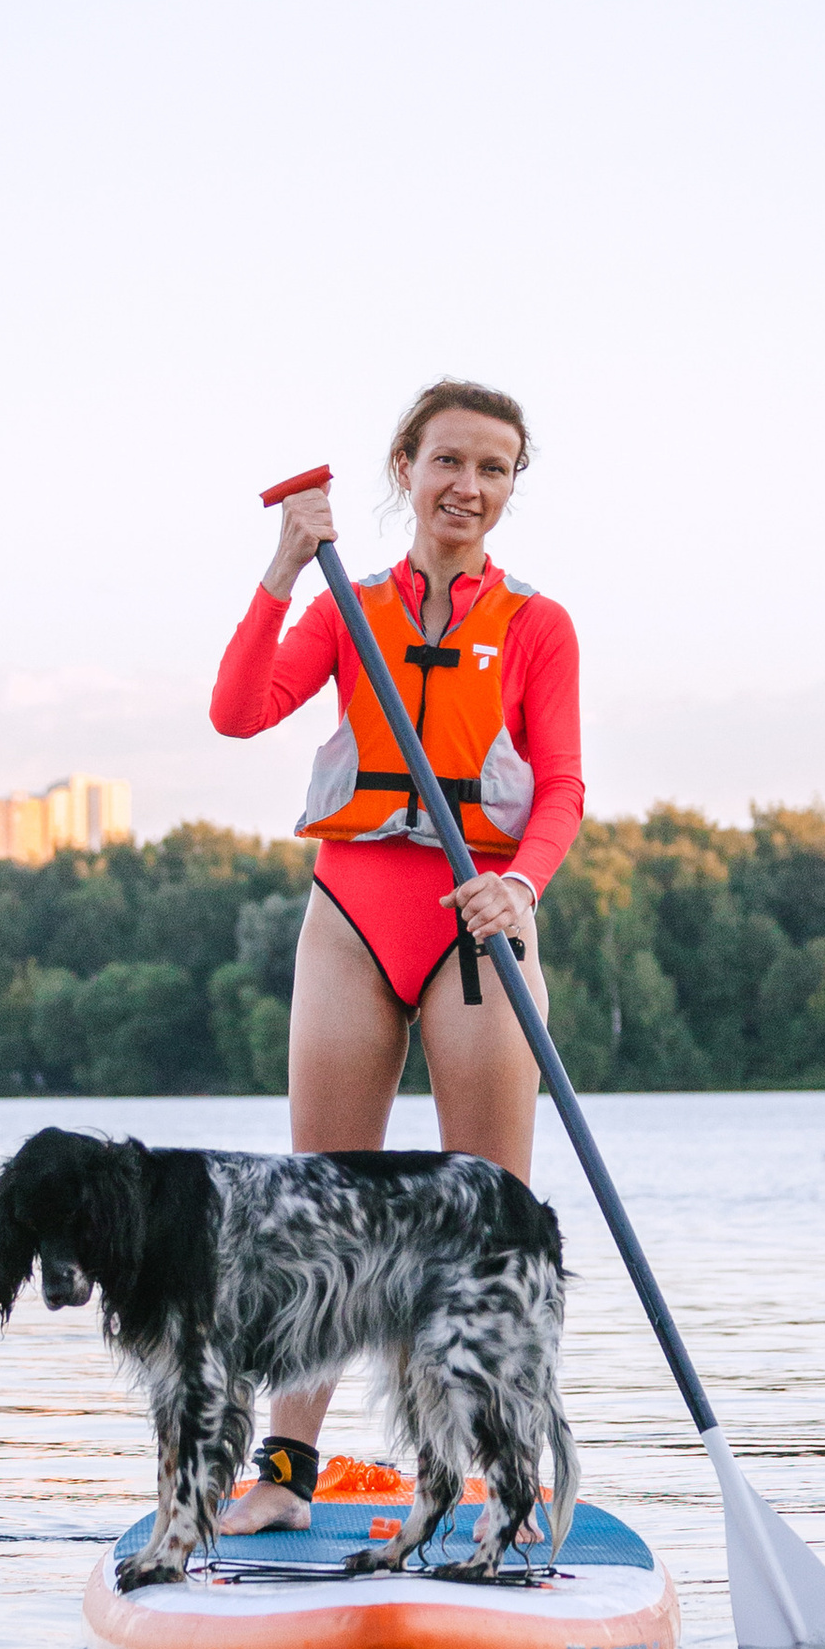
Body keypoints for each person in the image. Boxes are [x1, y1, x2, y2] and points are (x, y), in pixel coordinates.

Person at [208, 378, 584, 1532]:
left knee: (489, 1216)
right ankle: (281, 1473)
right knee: (317, 1206)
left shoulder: (535, 626)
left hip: (480, 926)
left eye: (495, 468)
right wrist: (281, 568)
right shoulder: (344, 603)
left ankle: (500, 1477)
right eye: (448, 462)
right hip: (354, 918)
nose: (468, 486)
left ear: (513, 487)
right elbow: (237, 711)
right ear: (405, 469)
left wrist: (520, 883)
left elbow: (562, 785)